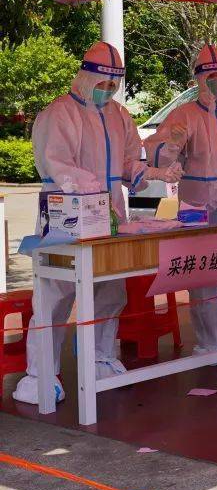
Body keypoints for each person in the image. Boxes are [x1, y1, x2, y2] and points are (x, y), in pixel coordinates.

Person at [14, 42, 183, 405]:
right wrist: (88, 187)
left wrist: (157, 171)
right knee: (54, 296)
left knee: (111, 289)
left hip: (110, 216)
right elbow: (55, 163)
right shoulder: (59, 114)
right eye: (102, 82)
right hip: (65, 216)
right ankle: (39, 376)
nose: (107, 90)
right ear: (85, 75)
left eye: (114, 84)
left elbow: (129, 165)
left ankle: (101, 359)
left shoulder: (120, 116)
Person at [143, 44, 217, 357]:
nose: (215, 81)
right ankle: (211, 343)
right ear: (198, 79)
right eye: (208, 76)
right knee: (204, 279)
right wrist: (173, 143)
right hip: (198, 209)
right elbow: (157, 154)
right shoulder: (184, 114)